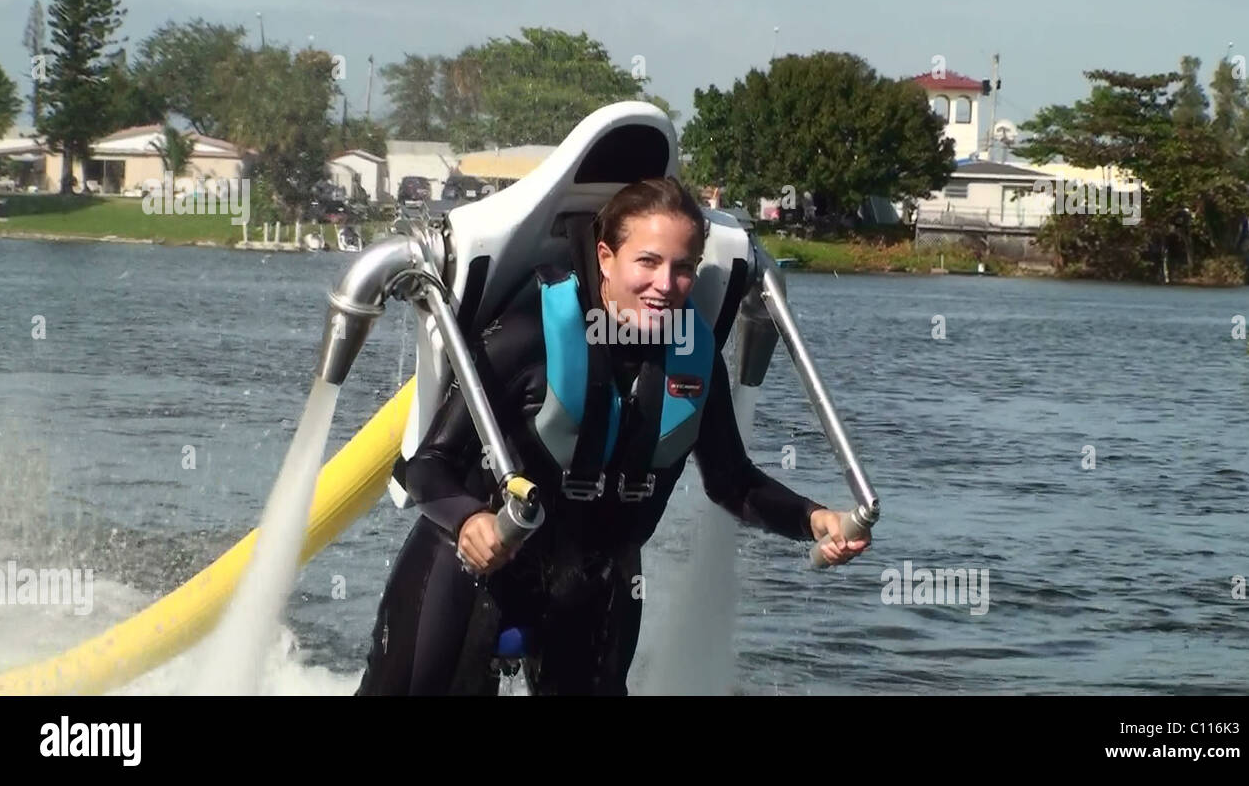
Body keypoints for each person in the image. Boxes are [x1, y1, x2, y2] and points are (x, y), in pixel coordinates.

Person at [355, 177, 868, 696]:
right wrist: (469, 520)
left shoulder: (695, 355)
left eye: (683, 268)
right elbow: (426, 465)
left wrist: (813, 519)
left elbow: (731, 481)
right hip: (471, 567)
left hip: (594, 586)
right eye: (647, 262)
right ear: (606, 258)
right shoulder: (530, 332)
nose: (665, 285)